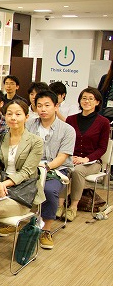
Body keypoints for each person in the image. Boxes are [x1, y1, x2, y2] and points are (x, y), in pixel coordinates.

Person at [0, 99, 43, 276]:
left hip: (22, 194)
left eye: (18, 114)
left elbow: (27, 172)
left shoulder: (35, 142)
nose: (13, 118)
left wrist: (2, 184)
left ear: (27, 117)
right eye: (9, 114)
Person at [25, 90, 75, 249]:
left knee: (49, 190)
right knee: (14, 185)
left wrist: (45, 166)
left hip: (56, 169)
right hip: (31, 167)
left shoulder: (67, 130)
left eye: (47, 105)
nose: (43, 109)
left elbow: (62, 157)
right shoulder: (28, 125)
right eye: (39, 105)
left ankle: (46, 229)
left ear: (56, 106)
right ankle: (17, 220)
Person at [63, 88, 110, 221]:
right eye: (84, 98)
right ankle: (59, 205)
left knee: (77, 171)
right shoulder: (71, 119)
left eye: (91, 98)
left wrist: (86, 159)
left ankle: (73, 207)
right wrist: (70, 157)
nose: (87, 101)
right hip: (71, 158)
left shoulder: (103, 122)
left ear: (97, 102)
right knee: (62, 169)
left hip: (93, 162)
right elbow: (66, 142)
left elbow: (102, 148)